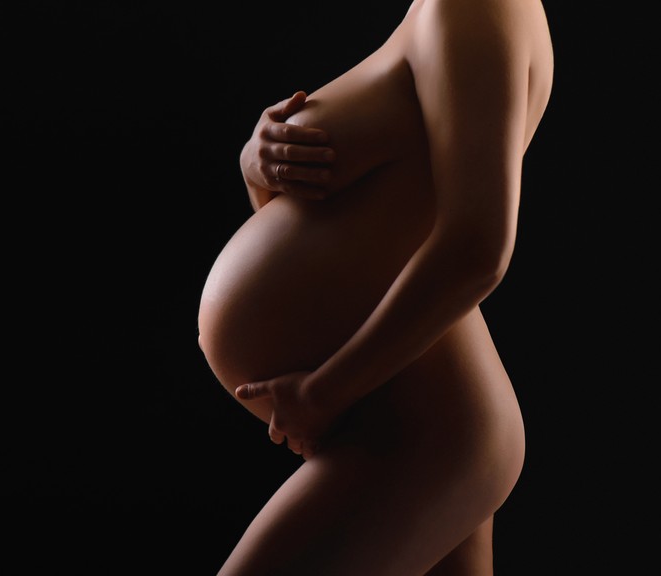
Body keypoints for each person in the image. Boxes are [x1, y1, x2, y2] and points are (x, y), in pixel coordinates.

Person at [197, 0, 554, 573]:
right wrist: (260, 166)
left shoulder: (474, 10)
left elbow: (478, 248)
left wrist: (325, 393)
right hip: (407, 419)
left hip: (427, 435)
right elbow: (357, 237)